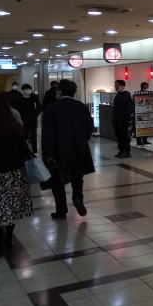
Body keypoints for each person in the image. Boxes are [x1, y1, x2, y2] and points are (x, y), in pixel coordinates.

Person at [0, 93, 34, 257]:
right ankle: (9, 236)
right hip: (13, 174)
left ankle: (0, 238)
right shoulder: (14, 126)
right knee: (11, 207)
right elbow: (24, 150)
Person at [42, 79, 94, 220]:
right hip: (78, 149)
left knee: (57, 181)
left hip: (58, 151)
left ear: (59, 91)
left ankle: (61, 210)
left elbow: (48, 133)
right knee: (77, 176)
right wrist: (82, 142)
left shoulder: (52, 108)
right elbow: (90, 128)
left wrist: (47, 153)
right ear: (74, 92)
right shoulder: (82, 107)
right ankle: (78, 198)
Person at [16, 83, 41, 152]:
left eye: (29, 89)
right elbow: (17, 110)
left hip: (33, 120)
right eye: (26, 89)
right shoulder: (19, 99)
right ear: (23, 90)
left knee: (34, 137)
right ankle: (24, 151)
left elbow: (39, 107)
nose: (28, 91)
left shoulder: (34, 98)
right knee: (24, 136)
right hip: (23, 120)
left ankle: (34, 151)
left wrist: (34, 115)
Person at [112, 79, 134, 158]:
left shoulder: (126, 93)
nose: (115, 86)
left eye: (116, 85)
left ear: (121, 86)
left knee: (124, 135)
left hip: (123, 119)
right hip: (117, 119)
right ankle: (121, 150)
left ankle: (126, 151)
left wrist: (125, 116)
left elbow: (127, 106)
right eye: (115, 85)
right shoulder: (118, 94)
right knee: (118, 135)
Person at [135, 81, 150, 148]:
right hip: (139, 112)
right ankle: (139, 141)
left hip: (145, 112)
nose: (146, 88)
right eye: (145, 86)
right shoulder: (138, 94)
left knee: (145, 126)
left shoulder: (147, 93)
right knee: (139, 126)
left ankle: (145, 140)